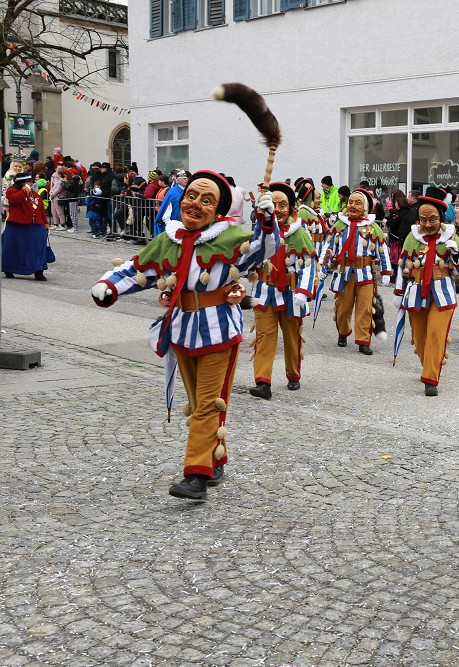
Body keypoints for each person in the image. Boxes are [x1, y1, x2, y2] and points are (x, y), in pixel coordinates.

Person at [90, 171, 281, 499]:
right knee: (198, 403)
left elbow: (265, 249)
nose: (196, 204)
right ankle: (215, 456)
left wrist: (266, 219)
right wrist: (109, 286)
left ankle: (195, 474)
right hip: (181, 331)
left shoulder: (231, 238)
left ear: (217, 210)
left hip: (220, 331)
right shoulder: (169, 239)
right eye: (192, 196)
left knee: (207, 404)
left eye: (207, 201)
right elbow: (138, 269)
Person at [393, 186, 459, 396]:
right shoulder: (412, 238)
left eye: (432, 220)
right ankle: (428, 367)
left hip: (442, 293)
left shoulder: (451, 237)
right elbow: (403, 267)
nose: (427, 224)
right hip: (416, 292)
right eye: (423, 220)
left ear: (440, 218)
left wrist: (454, 254)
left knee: (435, 333)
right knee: (420, 336)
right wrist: (399, 293)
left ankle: (431, 378)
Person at [248, 182, 317, 399]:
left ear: (291, 208)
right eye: (273, 205)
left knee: (291, 337)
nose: (277, 210)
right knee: (264, 337)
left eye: (282, 205)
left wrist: (303, 291)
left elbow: (309, 265)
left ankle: (293, 374)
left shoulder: (299, 233)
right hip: (264, 291)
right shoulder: (261, 232)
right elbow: (249, 258)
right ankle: (263, 381)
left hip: (290, 293)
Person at [321, 187, 392, 354]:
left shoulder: (373, 227)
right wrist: (322, 268)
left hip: (365, 273)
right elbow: (328, 247)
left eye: (358, 203)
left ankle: (363, 341)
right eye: (351, 202)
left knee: (365, 308)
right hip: (344, 272)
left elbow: (382, 249)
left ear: (365, 207)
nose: (353, 206)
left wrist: (386, 272)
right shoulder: (340, 225)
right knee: (343, 308)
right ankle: (343, 332)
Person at [2, 172, 49, 280]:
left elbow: (40, 209)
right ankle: (8, 269)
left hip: (35, 225)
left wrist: (45, 223)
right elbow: (14, 200)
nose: (31, 184)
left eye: (31, 181)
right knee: (12, 248)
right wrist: (24, 191)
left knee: (38, 248)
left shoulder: (35, 194)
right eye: (28, 181)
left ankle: (38, 271)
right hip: (16, 225)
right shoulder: (12, 191)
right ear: (21, 183)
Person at [154, 170, 188, 235]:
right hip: (174, 225)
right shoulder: (172, 192)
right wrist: (170, 226)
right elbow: (166, 211)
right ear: (178, 180)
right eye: (184, 179)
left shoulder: (188, 191)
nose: (186, 180)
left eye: (186, 178)